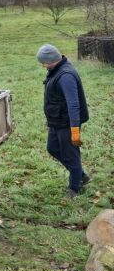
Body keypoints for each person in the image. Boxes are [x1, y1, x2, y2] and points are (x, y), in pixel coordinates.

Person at [36, 44, 91, 198]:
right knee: (52, 148)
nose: (43, 65)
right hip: (57, 121)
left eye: (44, 62)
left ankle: (74, 188)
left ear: (51, 60)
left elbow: (73, 104)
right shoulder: (56, 70)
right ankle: (81, 175)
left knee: (70, 155)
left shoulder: (66, 76)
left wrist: (74, 130)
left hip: (67, 123)